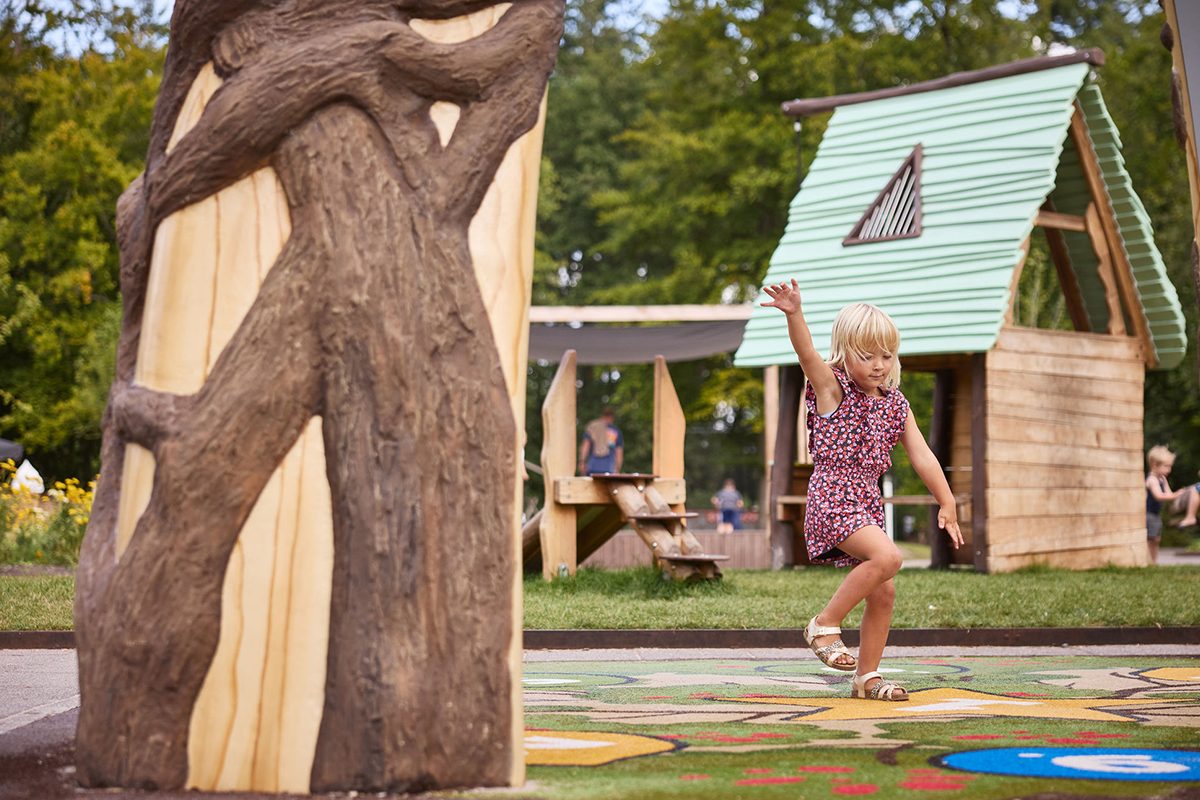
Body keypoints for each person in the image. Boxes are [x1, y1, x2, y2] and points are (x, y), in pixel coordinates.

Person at [761, 279, 963, 702]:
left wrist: (947, 500)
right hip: (832, 497)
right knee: (889, 557)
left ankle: (866, 678)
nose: (878, 364)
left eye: (886, 355)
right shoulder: (831, 388)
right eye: (866, 355)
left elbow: (923, 456)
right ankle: (824, 623)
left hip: (866, 501)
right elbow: (806, 354)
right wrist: (795, 314)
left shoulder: (895, 403)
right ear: (844, 353)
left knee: (884, 588)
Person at [1146, 445, 1187, 564]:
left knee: (1156, 539)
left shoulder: (1162, 479)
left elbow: (1168, 494)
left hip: (1156, 514)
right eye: (1166, 466)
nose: (1169, 469)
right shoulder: (1152, 480)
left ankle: (1154, 561)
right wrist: (1175, 495)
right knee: (1150, 538)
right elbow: (1159, 496)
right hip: (1148, 514)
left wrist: (1179, 495)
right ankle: (1149, 561)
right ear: (1154, 465)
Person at [579, 406, 623, 476]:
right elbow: (619, 452)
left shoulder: (593, 427)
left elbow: (586, 445)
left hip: (592, 467)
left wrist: (582, 462)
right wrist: (617, 469)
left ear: (601, 416)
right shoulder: (616, 431)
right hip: (609, 469)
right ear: (612, 417)